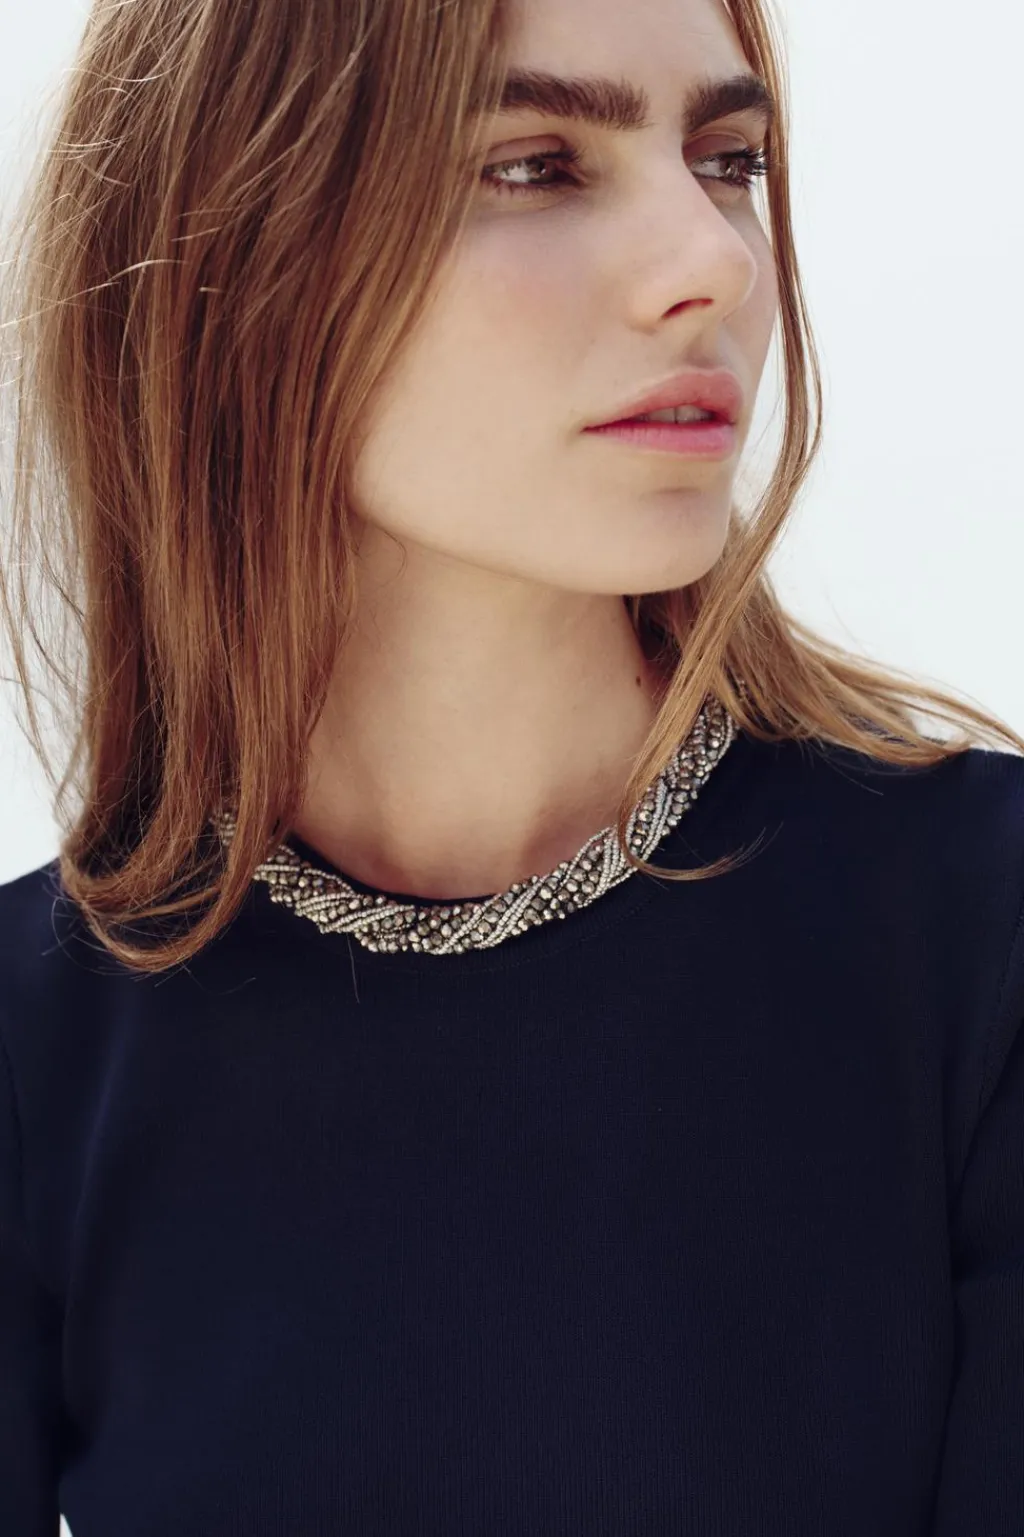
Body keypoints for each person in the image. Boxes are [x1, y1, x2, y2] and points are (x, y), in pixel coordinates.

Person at [0, 0, 1021, 1531]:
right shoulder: (38, 1059)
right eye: (534, 165)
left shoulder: (983, 944)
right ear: (233, 246)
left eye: (729, 160)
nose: (716, 263)